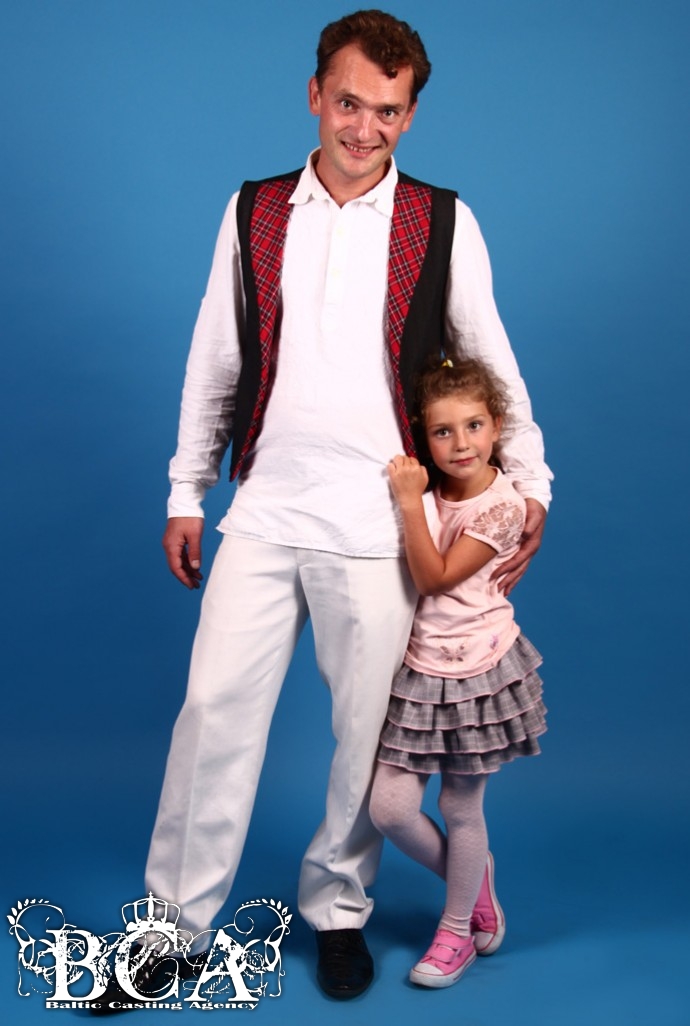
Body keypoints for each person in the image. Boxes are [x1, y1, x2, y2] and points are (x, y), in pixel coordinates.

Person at [139, 9, 552, 1003]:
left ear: (410, 117)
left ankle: (338, 910)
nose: (365, 128)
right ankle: (172, 925)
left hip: (381, 526)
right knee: (212, 715)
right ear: (316, 94)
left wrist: (533, 481)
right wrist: (188, 488)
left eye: (389, 111)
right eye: (350, 103)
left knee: (368, 737)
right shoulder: (255, 209)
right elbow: (216, 357)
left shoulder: (442, 221)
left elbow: (489, 355)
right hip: (266, 506)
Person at [370, 357, 547, 989]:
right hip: (420, 669)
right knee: (390, 810)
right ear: (426, 437)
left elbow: (435, 577)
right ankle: (473, 882)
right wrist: (417, 498)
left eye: (474, 425)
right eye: (443, 431)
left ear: (496, 426)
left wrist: (407, 502)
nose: (461, 443)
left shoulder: (501, 508)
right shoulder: (435, 492)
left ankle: (454, 933)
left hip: (479, 670)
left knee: (458, 806)